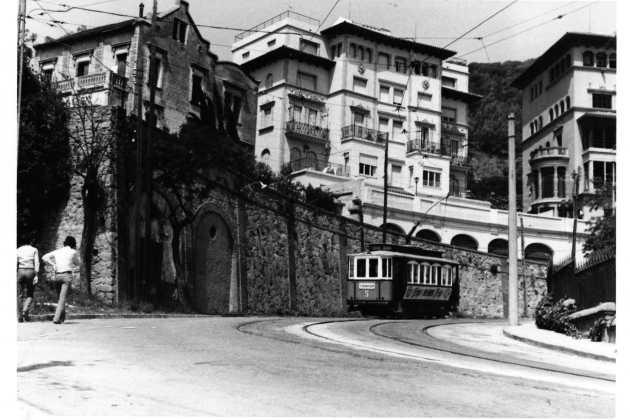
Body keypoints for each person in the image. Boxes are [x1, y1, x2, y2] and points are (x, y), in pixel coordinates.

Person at [42, 236, 81, 324]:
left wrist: (53, 264)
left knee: (60, 298)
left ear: (65, 243)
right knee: (62, 298)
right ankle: (56, 318)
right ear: (73, 244)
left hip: (57, 275)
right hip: (67, 275)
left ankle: (61, 318)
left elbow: (44, 257)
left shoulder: (58, 251)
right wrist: (79, 260)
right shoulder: (73, 252)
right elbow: (78, 263)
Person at [17, 236, 40, 322]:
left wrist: (16, 272)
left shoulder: (18, 250)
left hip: (20, 270)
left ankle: (20, 316)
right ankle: (25, 310)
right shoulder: (34, 249)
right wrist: (36, 275)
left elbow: (15, 261)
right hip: (30, 270)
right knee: (30, 293)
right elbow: (36, 262)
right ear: (30, 241)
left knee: (19, 294)